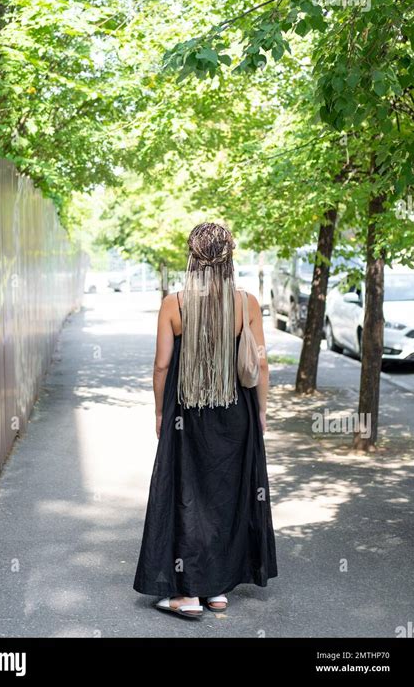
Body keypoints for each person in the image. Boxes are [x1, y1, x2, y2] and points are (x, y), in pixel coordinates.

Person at [133, 222, 277, 618]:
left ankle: (189, 595)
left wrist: (161, 411)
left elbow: (162, 366)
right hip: (236, 413)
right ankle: (216, 590)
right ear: (230, 257)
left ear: (192, 256)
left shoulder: (174, 304)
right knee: (224, 498)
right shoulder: (246, 302)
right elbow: (260, 364)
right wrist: (262, 410)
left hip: (188, 414)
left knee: (188, 497)